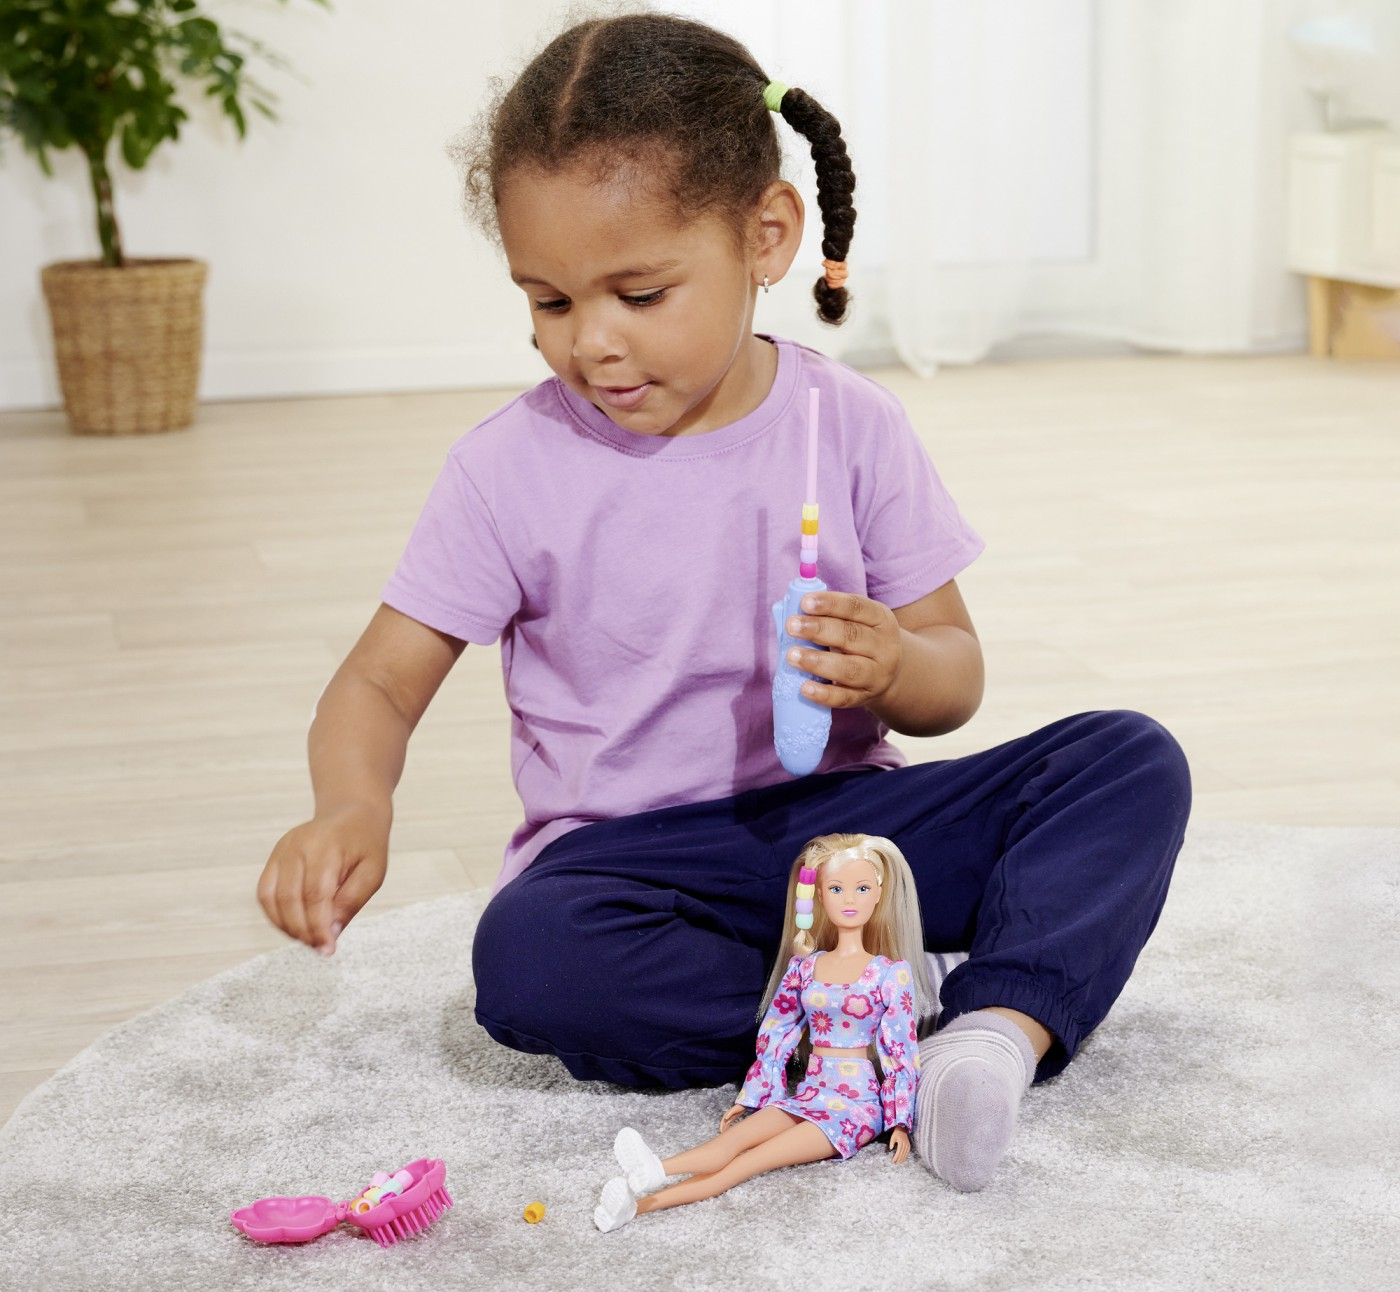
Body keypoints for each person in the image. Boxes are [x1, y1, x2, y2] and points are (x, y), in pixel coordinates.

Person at [255, 11, 1191, 1193]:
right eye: (549, 302)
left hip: (850, 839)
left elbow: (953, 672)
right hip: (633, 870)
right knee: (533, 957)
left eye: (639, 292)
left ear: (765, 235)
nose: (593, 343)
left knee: (1125, 762)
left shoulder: (846, 423)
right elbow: (380, 682)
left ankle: (994, 1030)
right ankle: (877, 1014)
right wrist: (349, 803)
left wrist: (896, 663)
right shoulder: (505, 469)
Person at [594, 834, 930, 1232]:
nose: (849, 899)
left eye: (862, 888)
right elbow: (778, 1031)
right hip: (811, 1091)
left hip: (855, 1106)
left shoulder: (890, 973)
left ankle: (645, 1198)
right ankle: (648, 1180)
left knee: (749, 1162)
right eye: (837, 889)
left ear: (878, 895)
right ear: (819, 896)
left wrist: (900, 1121)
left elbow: (900, 1050)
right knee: (730, 1143)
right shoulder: (806, 967)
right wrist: (751, 1095)